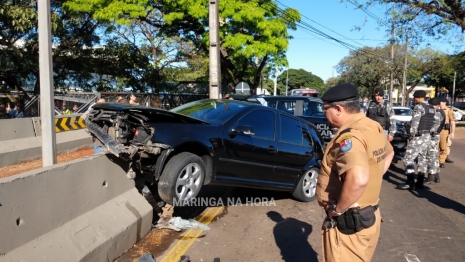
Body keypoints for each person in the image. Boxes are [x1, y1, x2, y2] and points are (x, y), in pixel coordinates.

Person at [316, 83, 394, 262]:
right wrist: (373, 175)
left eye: (324, 108)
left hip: (349, 224)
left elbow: (358, 179)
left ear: (338, 109)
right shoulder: (372, 126)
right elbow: (389, 153)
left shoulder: (349, 137)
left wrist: (338, 210)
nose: (323, 113)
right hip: (369, 216)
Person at [397, 90, 436, 190]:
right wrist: (430, 132)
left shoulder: (419, 107)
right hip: (427, 137)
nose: (414, 100)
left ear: (418, 97)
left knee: (408, 159)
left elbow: (415, 123)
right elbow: (435, 123)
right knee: (422, 159)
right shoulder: (431, 108)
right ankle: (420, 182)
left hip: (418, 137)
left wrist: (411, 135)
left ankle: (410, 182)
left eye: (414, 98)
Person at [424, 97, 444, 185]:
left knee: (430, 156)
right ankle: (436, 176)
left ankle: (431, 176)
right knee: (434, 157)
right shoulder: (440, 112)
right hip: (435, 136)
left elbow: (434, 127)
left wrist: (427, 131)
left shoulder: (437, 113)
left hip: (432, 137)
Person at [438, 97, 455, 167]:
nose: (439, 103)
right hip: (435, 130)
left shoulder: (449, 110)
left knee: (443, 147)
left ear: (444, 103)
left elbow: (452, 122)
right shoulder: (435, 109)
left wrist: (452, 132)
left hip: (444, 130)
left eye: (441, 102)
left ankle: (441, 161)